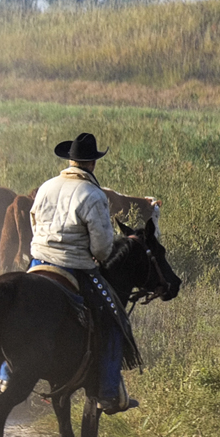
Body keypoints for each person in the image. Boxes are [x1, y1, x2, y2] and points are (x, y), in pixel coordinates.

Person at [27, 132, 140, 413]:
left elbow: (33, 221)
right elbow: (102, 248)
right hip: (74, 266)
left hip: (38, 262)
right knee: (115, 320)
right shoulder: (93, 195)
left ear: (70, 160)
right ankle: (109, 392)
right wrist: (93, 254)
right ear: (92, 164)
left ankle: (5, 375)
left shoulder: (46, 186)